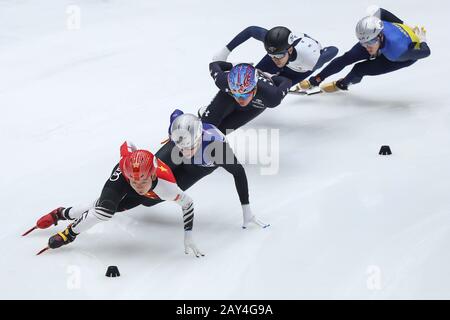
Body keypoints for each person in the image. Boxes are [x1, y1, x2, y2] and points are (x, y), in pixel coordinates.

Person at [25, 142, 204, 257]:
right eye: (135, 181)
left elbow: (188, 204)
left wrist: (188, 234)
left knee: (100, 206)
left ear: (152, 174)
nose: (138, 185)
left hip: (138, 186)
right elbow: (127, 144)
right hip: (121, 177)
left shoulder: (167, 187)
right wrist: (131, 174)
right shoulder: (129, 172)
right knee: (105, 210)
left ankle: (61, 213)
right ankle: (69, 234)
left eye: (142, 180)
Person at [150, 110, 269, 229]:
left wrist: (246, 209)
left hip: (197, 168)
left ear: (198, 139)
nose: (185, 152)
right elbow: (176, 112)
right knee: (148, 171)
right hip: (177, 151)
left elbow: (239, 173)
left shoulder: (217, 151)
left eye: (189, 147)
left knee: (149, 200)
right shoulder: (177, 127)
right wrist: (178, 144)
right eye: (181, 147)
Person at [299, 7, 431, 93]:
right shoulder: (371, 34)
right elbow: (381, 11)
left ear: (379, 35)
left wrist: (423, 41)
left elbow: (426, 52)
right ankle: (315, 80)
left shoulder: (398, 52)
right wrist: (403, 24)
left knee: (360, 69)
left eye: (370, 42)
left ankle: (342, 84)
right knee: (348, 57)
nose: (367, 46)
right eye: (363, 42)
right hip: (389, 41)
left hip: (404, 54)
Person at [212, 26, 338, 86]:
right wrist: (225, 50)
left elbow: (334, 50)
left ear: (289, 50)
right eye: (271, 55)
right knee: (251, 79)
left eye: (278, 56)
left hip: (299, 69)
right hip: (289, 52)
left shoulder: (311, 60)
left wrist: (323, 51)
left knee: (271, 89)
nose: (275, 60)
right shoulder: (274, 44)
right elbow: (251, 31)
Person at [200, 62, 292, 133]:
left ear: (255, 89)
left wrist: (272, 78)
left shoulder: (271, 97)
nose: (240, 99)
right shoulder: (223, 81)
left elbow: (287, 81)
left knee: (220, 132)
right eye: (235, 93)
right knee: (205, 127)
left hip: (253, 107)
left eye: (245, 94)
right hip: (228, 97)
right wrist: (232, 65)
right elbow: (214, 64)